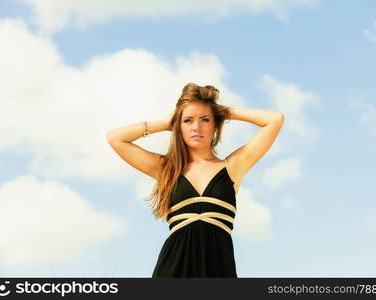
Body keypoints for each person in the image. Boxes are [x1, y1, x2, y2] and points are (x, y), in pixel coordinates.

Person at [106, 82, 284, 277]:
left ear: (215, 124)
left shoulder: (233, 167)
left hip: (219, 268)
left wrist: (225, 112)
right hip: (173, 269)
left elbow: (275, 120)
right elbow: (116, 138)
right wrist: (167, 123)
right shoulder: (167, 169)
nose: (196, 127)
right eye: (188, 120)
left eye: (205, 120)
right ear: (179, 126)